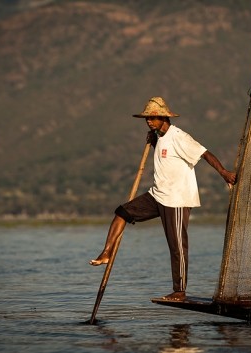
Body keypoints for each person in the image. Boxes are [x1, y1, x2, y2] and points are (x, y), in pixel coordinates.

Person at [89, 97, 236, 301]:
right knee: (122, 212)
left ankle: (180, 291)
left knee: (177, 246)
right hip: (157, 195)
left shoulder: (179, 137)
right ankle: (106, 252)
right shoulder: (160, 137)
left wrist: (224, 173)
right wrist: (154, 139)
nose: (149, 121)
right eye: (147, 118)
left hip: (176, 199)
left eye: (153, 118)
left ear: (163, 117)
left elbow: (205, 153)